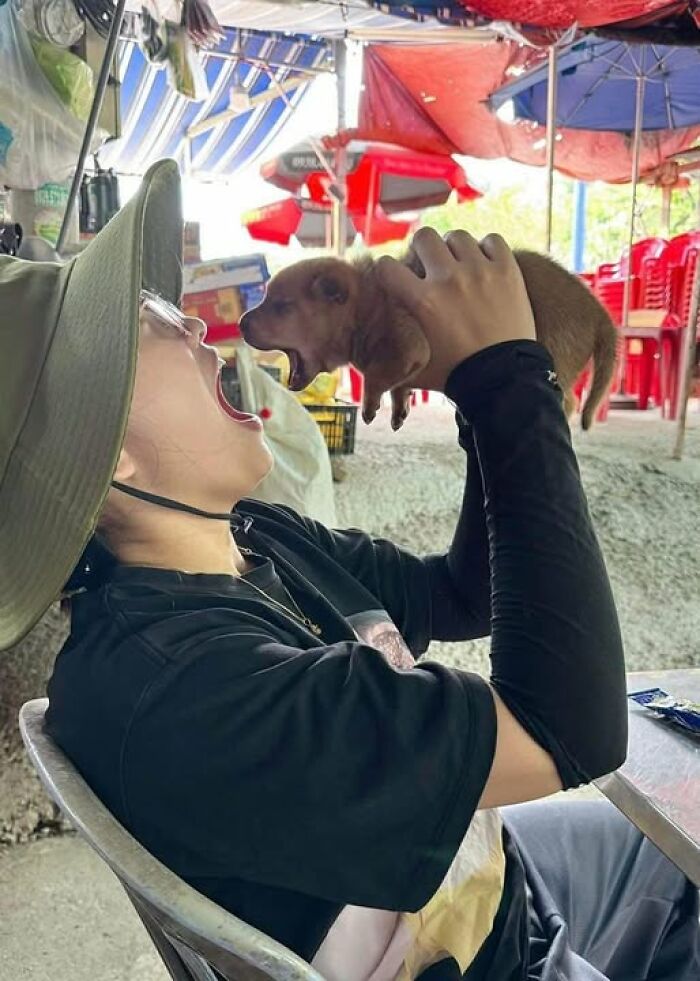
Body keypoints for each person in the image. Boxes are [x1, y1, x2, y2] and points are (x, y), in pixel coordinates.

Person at [0, 160, 697, 981]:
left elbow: (463, 594)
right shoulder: (190, 693)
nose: (197, 328)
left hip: (477, 886)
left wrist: (477, 400)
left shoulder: (251, 538)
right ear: (106, 449)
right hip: (489, 958)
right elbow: (570, 732)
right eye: (152, 324)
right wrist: (510, 380)